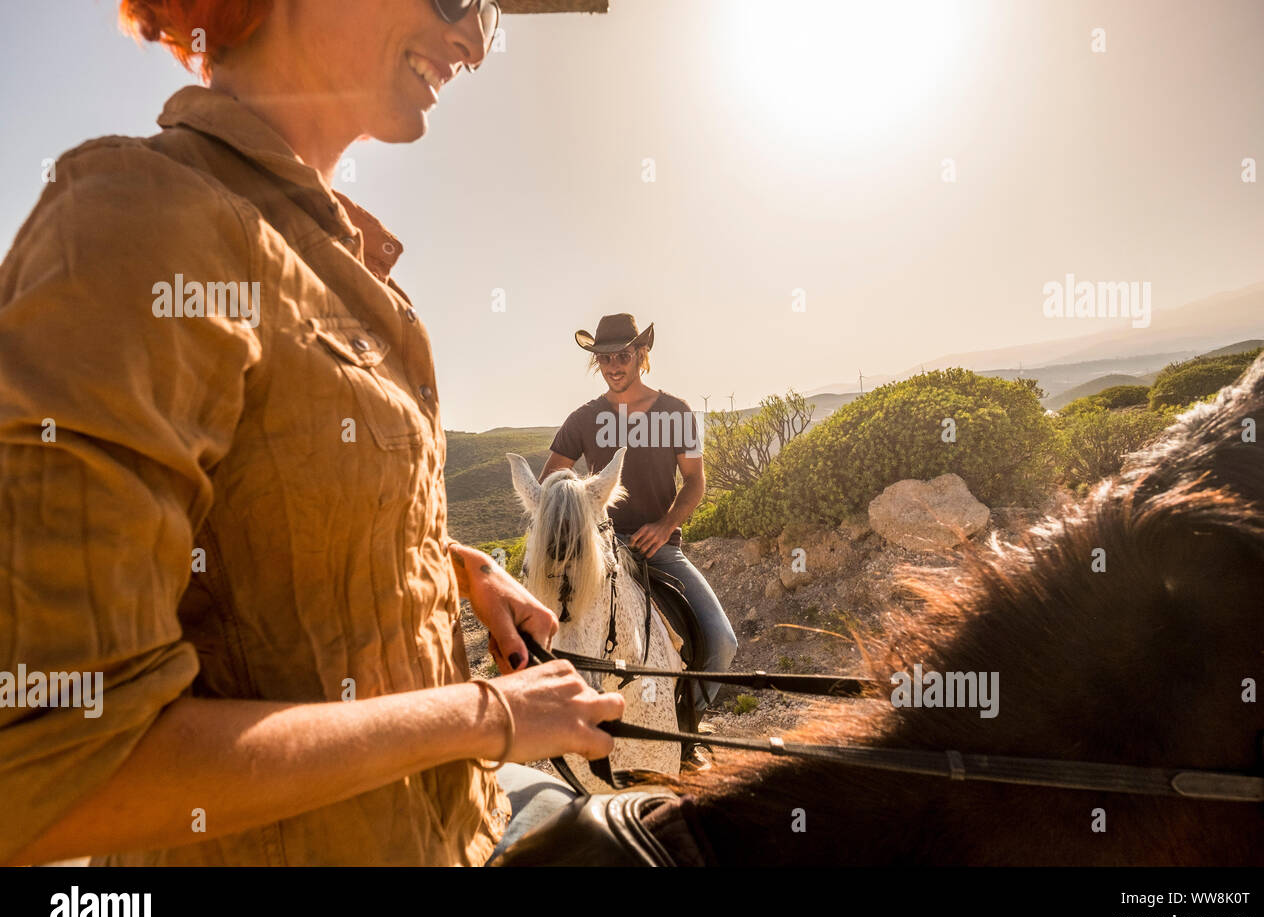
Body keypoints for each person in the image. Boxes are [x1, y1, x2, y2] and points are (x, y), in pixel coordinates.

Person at [0, 0, 615, 867]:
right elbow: (50, 774)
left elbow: (262, 519)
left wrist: (457, 567)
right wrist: (492, 715)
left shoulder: (327, 250)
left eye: (489, 13)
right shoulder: (140, 220)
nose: (476, 41)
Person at [541, 313, 739, 768]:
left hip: (659, 547)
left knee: (722, 642)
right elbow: (551, 480)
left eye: (622, 355)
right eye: (605, 357)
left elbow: (695, 482)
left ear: (641, 355)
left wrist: (667, 525)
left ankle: (686, 731)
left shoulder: (676, 412)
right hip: (597, 550)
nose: (613, 364)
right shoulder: (584, 419)